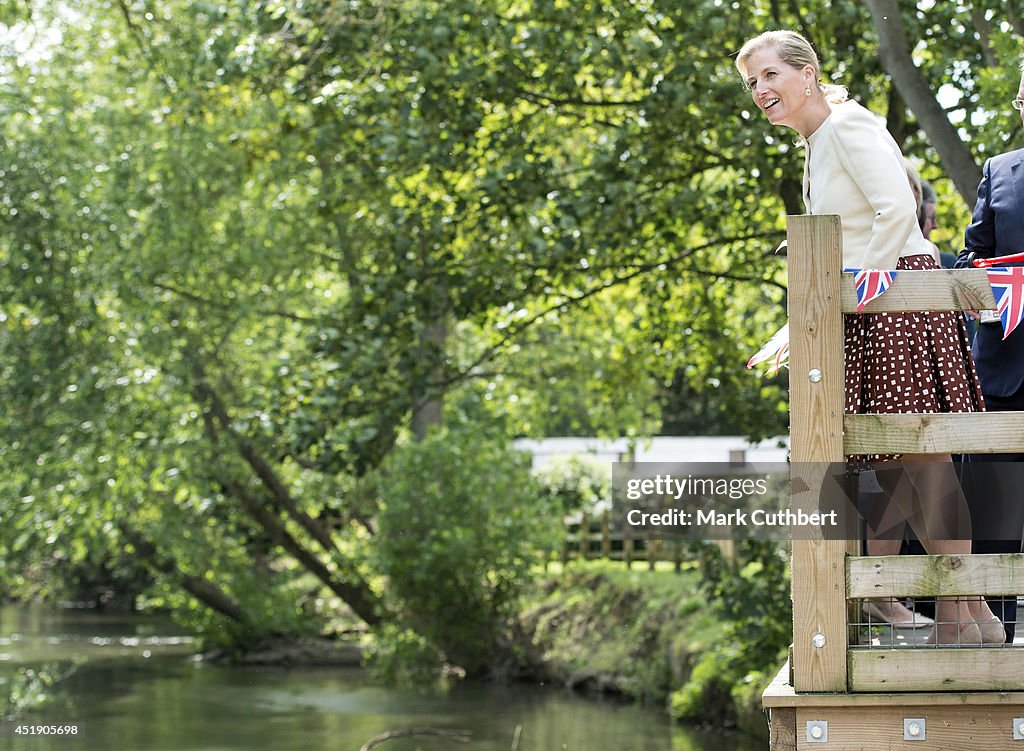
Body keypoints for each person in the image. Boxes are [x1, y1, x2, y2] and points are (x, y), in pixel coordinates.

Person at [736, 29, 1002, 645]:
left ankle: (962, 614)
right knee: (904, 462)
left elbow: (897, 210)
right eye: (753, 84)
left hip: (895, 299)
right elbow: (859, 219)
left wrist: (859, 285)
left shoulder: (849, 124)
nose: (761, 91)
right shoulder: (819, 138)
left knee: (922, 458)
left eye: (770, 76)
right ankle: (975, 616)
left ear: (807, 73)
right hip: (872, 299)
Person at [950, 59, 1024, 643]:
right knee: (996, 516)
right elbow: (973, 258)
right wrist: (983, 275)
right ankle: (1004, 641)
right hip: (1003, 374)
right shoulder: (999, 172)